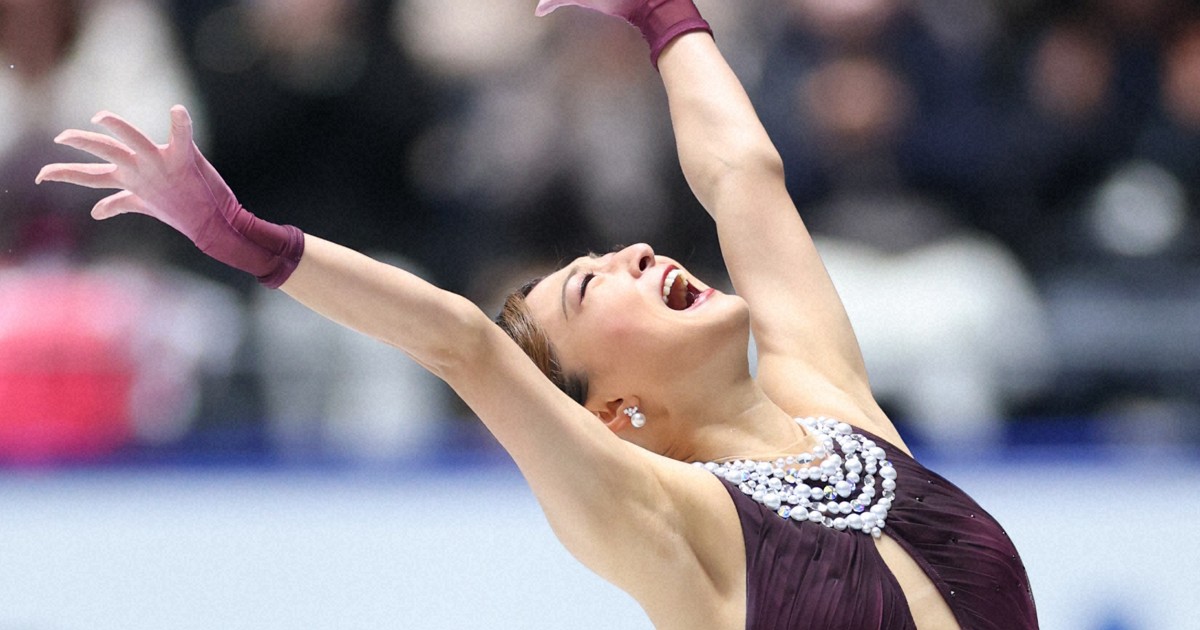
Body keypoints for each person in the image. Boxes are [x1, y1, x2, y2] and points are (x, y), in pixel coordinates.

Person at [35, 0, 1039, 627]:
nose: (636, 253)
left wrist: (664, 17)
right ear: (610, 413)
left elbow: (745, 179)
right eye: (593, 286)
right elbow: (463, 344)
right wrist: (242, 236)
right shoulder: (666, 520)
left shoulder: (838, 408)